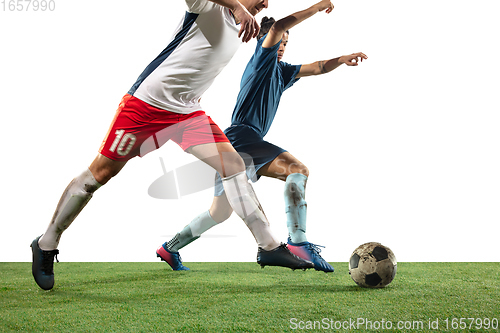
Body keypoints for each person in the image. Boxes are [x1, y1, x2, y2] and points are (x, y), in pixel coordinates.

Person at [31, 0, 315, 291]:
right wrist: (238, 7)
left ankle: (267, 245)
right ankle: (46, 242)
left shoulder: (244, 26)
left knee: (233, 164)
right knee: (100, 174)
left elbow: (273, 28)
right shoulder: (206, 8)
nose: (265, 3)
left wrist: (249, 13)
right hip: (146, 106)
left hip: (187, 115)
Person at [158, 0, 367, 272]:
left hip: (233, 142)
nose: (282, 46)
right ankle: (299, 241)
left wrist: (341, 59)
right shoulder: (262, 58)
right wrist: (316, 8)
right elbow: (279, 26)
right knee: (297, 169)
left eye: (285, 44)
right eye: (279, 41)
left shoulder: (282, 72)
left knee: (219, 212)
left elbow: (316, 67)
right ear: (263, 39)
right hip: (242, 136)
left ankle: (169, 247)